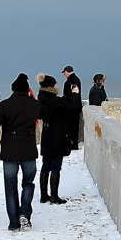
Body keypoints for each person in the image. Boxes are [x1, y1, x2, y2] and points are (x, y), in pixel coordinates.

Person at [0, 73, 45, 232]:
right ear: (27, 90)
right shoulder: (34, 105)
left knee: (10, 187)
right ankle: (24, 212)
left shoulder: (4, 105)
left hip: (9, 151)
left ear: (12, 89)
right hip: (28, 150)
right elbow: (46, 115)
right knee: (28, 183)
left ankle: (14, 222)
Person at [37, 74, 76, 204]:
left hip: (47, 134)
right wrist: (75, 94)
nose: (56, 85)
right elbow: (72, 108)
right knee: (55, 166)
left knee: (45, 165)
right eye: (55, 84)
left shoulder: (41, 98)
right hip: (58, 135)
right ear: (51, 86)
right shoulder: (54, 100)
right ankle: (54, 196)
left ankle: (43, 195)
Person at [61, 65, 82, 149]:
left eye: (64, 72)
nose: (64, 74)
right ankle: (72, 143)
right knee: (72, 126)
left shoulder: (72, 80)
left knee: (72, 126)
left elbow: (73, 94)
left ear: (67, 72)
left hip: (72, 107)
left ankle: (73, 144)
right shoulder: (74, 79)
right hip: (73, 106)